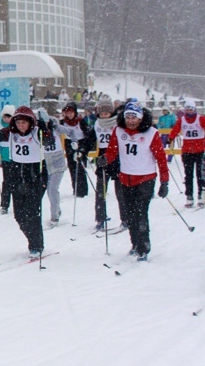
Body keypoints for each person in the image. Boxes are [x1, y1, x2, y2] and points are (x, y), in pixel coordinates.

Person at [0, 106, 52, 256]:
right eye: (18, 123)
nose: (21, 126)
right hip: (17, 175)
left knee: (32, 212)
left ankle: (36, 245)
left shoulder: (36, 132)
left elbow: (49, 141)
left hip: (35, 175)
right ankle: (32, 239)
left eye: (24, 123)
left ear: (30, 122)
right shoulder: (11, 133)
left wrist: (45, 130)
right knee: (19, 215)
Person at [105, 100, 169, 260]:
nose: (131, 121)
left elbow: (161, 158)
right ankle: (134, 243)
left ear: (141, 118)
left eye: (134, 118)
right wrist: (104, 159)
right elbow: (112, 151)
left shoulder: (151, 133)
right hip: (125, 178)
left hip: (145, 178)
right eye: (128, 118)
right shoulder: (119, 131)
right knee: (129, 214)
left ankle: (144, 247)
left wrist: (164, 181)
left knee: (141, 213)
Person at [37, 108, 84, 226]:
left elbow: (72, 132)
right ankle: (57, 209)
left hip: (58, 163)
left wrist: (74, 142)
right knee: (49, 190)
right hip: (46, 164)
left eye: (47, 122)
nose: (46, 125)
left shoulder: (56, 127)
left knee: (52, 189)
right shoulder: (37, 130)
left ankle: (55, 217)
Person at [84, 96, 123, 232]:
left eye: (106, 113)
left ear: (111, 113)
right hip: (102, 158)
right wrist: (83, 150)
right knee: (100, 191)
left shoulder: (118, 124)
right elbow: (90, 139)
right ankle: (100, 217)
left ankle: (125, 218)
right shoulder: (97, 124)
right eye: (102, 113)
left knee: (121, 191)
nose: (104, 116)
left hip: (118, 158)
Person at [169, 99, 205, 208]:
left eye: (191, 109)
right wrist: (170, 138)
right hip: (187, 151)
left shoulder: (200, 119)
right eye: (187, 109)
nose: (189, 111)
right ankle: (189, 196)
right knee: (188, 175)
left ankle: (201, 195)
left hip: (200, 151)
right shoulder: (182, 120)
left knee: (201, 175)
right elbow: (175, 129)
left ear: (194, 109)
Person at [61, 102, 89, 199]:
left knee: (80, 168)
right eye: (67, 112)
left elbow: (87, 135)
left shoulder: (81, 121)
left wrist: (83, 149)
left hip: (80, 144)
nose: (69, 114)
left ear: (75, 112)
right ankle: (76, 189)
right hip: (69, 144)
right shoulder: (63, 122)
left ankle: (83, 191)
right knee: (72, 167)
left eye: (71, 112)